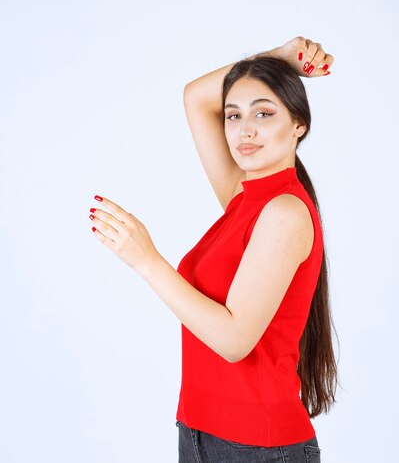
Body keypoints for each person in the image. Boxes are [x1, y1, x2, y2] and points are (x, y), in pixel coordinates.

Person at [88, 36, 339, 463]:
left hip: (258, 447)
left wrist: (147, 260)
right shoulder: (245, 197)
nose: (245, 130)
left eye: (264, 113)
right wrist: (278, 59)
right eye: (233, 115)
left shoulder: (285, 212)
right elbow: (196, 96)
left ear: (299, 124)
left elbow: (233, 340)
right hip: (200, 434)